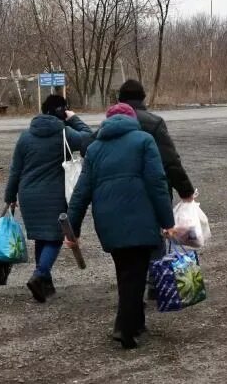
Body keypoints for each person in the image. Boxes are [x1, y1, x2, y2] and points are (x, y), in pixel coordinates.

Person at [65, 103, 176, 350]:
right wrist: (167, 222)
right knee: (134, 275)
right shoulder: (144, 141)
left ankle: (135, 323)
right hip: (141, 219)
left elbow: (81, 192)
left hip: (108, 222)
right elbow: (157, 182)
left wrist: (73, 229)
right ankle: (125, 329)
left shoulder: (94, 149)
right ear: (131, 119)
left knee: (126, 272)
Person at [4, 94, 94, 303]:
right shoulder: (65, 133)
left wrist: (10, 197)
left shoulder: (25, 136)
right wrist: (74, 118)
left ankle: (45, 284)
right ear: (62, 112)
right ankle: (39, 275)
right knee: (53, 237)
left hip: (28, 195)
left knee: (41, 237)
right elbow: (89, 138)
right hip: (54, 194)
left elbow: (15, 170)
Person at [114, 79, 195, 202]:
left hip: (119, 195)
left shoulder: (110, 124)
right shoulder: (155, 123)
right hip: (153, 195)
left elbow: (87, 148)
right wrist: (186, 192)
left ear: (120, 99)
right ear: (142, 98)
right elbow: (170, 161)